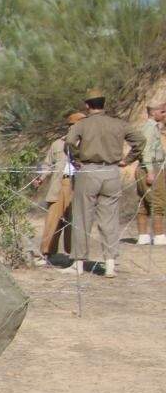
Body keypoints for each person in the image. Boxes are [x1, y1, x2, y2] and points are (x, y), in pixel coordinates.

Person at [64, 89, 145, 278]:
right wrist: (128, 159)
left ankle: (78, 264)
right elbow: (140, 140)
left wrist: (76, 159)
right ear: (104, 104)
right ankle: (109, 264)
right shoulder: (118, 124)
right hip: (112, 172)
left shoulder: (82, 124)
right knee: (109, 220)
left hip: (89, 171)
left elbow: (68, 142)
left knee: (83, 217)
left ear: (87, 105)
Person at [36, 114, 81, 263]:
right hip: (58, 184)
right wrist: (40, 178)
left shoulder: (87, 144)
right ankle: (46, 254)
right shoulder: (57, 144)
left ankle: (73, 256)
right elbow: (48, 164)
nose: (73, 128)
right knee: (52, 220)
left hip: (77, 186)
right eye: (71, 125)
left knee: (73, 221)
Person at [129, 102, 165, 245]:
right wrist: (150, 172)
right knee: (158, 201)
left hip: (147, 167)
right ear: (153, 113)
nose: (164, 115)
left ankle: (143, 236)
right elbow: (146, 151)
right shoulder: (150, 128)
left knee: (143, 202)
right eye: (162, 112)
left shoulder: (152, 127)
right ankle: (159, 236)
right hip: (150, 168)